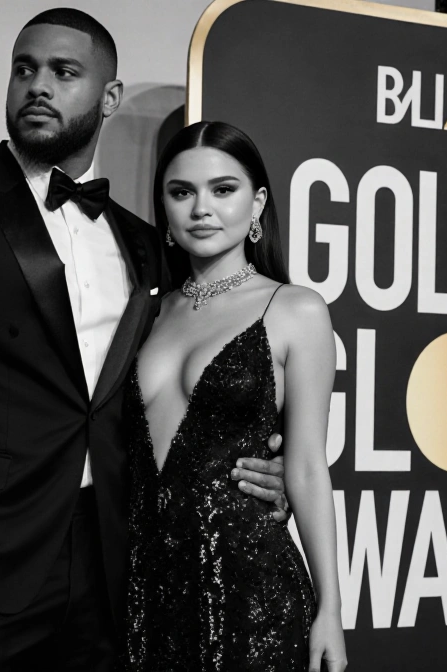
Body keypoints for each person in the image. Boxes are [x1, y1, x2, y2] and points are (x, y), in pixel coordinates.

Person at [0, 9, 290, 670]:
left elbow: (172, 387)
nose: (37, 86)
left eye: (63, 72)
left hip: (111, 561)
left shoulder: (140, 240)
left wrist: (254, 461)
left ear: (108, 97)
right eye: (24, 69)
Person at [125, 121, 349, 672]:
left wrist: (331, 610)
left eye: (223, 190)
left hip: (251, 588)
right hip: (144, 587)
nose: (202, 208)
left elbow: (306, 469)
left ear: (258, 203)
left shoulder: (296, 309)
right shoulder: (146, 312)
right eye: (182, 192)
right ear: (165, 209)